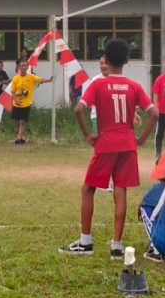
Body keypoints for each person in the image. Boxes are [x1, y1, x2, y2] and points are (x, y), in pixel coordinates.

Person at [60, 38, 158, 258]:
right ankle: (117, 246)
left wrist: (88, 135)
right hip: (127, 145)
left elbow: (78, 109)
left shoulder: (97, 84)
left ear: (106, 59)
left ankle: (85, 242)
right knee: (120, 190)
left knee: (88, 189)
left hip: (106, 144)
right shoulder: (134, 86)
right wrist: (140, 139)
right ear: (127, 60)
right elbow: (154, 113)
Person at [9, 59, 54, 145]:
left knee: (22, 121)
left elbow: (41, 80)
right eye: (22, 65)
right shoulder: (15, 78)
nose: (24, 67)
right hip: (17, 104)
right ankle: (21, 137)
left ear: (27, 67)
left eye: (25, 65)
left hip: (26, 104)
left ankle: (19, 139)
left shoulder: (31, 77)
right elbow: (13, 92)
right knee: (18, 122)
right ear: (19, 67)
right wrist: (16, 100)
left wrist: (50, 79)